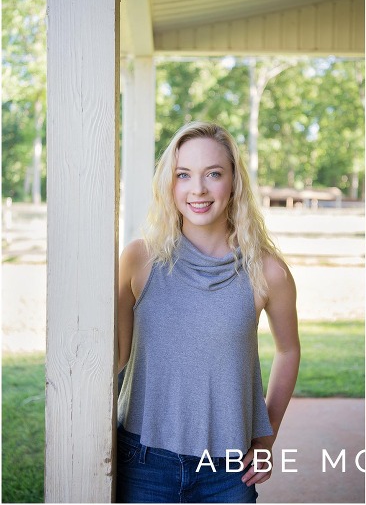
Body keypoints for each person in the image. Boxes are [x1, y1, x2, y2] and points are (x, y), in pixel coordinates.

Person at [116, 121, 300, 502]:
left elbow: (288, 350)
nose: (197, 189)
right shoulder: (140, 259)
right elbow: (114, 356)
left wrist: (267, 436)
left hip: (228, 472)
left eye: (213, 174)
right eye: (184, 175)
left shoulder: (267, 271)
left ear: (234, 182)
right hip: (144, 461)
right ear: (170, 184)